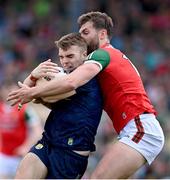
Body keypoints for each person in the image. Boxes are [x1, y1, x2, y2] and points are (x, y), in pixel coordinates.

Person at [7, 12, 165, 179]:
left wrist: (32, 92)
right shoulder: (104, 61)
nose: (81, 37)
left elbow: (70, 82)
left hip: (140, 128)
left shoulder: (102, 54)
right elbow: (62, 95)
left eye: (85, 32)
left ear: (102, 34)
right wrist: (33, 83)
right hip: (132, 128)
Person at [10, 33, 103, 179]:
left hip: (71, 152)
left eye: (70, 56)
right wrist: (33, 76)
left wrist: (34, 88)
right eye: (61, 57)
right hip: (48, 141)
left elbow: (34, 94)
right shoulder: (63, 76)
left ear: (84, 54)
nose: (65, 61)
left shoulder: (85, 78)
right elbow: (22, 97)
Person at [0, 81, 42, 179]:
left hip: (20, 157)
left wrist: (25, 146)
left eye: (12, 90)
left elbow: (37, 131)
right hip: (3, 156)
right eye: (7, 89)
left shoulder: (25, 109)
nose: (9, 92)